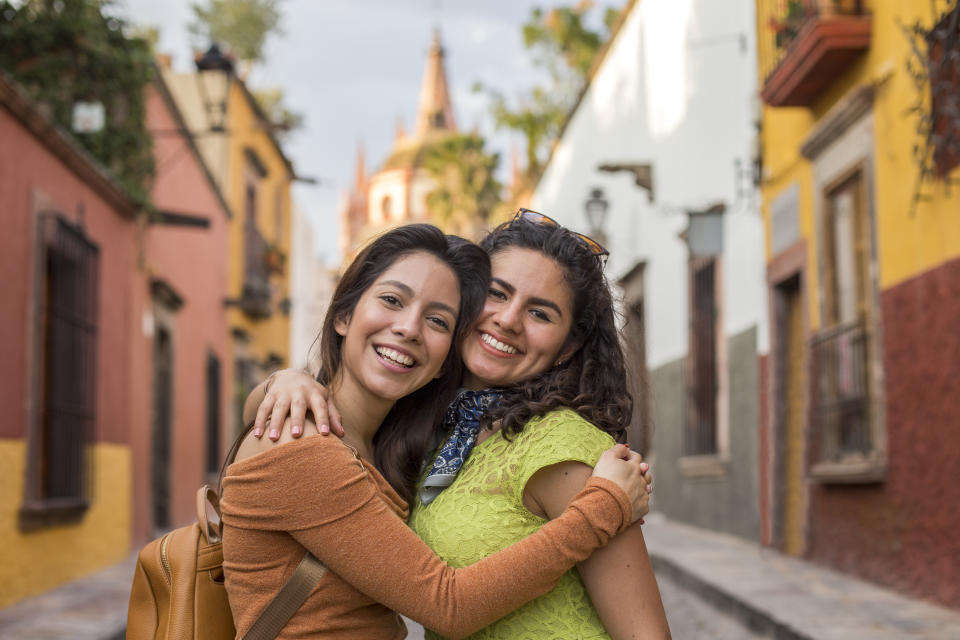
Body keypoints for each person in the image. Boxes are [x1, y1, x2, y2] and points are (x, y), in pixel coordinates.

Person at [246, 213, 670, 639]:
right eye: (496, 293)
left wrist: (606, 504)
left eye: (540, 313)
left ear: (567, 348)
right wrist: (283, 382)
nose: (508, 319)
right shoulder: (432, 429)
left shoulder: (562, 444)